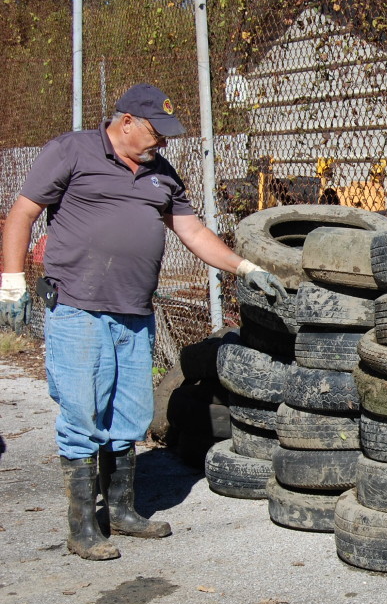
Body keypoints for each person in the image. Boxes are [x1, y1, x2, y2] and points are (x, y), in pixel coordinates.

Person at [0, 83, 286, 561]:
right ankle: (82, 525)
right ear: (126, 121)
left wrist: (245, 267)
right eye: (156, 132)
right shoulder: (73, 150)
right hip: (78, 307)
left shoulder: (161, 173)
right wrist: (10, 283)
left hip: (134, 311)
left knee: (128, 415)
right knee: (83, 413)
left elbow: (191, 230)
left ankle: (121, 509)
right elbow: (22, 214)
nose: (164, 143)